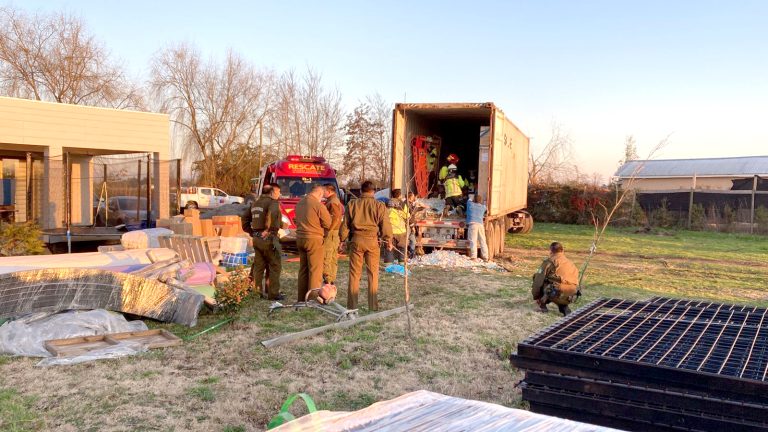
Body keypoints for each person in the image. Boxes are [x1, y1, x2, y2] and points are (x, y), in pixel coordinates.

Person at [341, 180, 393, 311]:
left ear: (360, 191)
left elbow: (345, 225)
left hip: (357, 240)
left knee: (354, 274)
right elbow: (385, 225)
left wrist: (341, 240)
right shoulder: (379, 205)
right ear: (373, 191)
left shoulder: (352, 204)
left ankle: (352, 307)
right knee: (373, 274)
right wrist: (389, 241)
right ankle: (373, 307)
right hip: (372, 241)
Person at [244, 184, 284, 300]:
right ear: (271, 192)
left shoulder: (254, 203)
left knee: (259, 266)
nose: (278, 195)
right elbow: (273, 215)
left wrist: (251, 232)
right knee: (274, 266)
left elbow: (244, 219)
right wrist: (270, 230)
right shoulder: (273, 203)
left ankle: (257, 292)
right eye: (277, 192)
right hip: (269, 238)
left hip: (256, 239)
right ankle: (273, 294)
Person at [294, 184, 332, 303]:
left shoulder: (299, 203)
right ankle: (312, 300)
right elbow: (328, 223)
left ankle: (301, 298)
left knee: (303, 269)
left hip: (300, 238)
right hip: (314, 239)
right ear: (320, 194)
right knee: (315, 270)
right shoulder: (318, 205)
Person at [531, 242, 580, 316]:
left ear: (550, 251)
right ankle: (564, 306)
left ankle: (542, 305)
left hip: (555, 293)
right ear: (563, 250)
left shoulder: (549, 262)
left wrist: (536, 296)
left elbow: (538, 281)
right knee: (561, 284)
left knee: (539, 277)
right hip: (571, 295)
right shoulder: (571, 263)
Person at [322, 184, 343, 286]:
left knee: (327, 256)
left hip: (331, 233)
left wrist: (328, 230)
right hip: (334, 233)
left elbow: (336, 217)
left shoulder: (332, 202)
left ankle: (328, 280)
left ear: (329, 191)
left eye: (324, 191)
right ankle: (331, 279)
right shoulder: (333, 200)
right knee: (333, 256)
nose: (323, 193)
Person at [384, 189, 408, 264]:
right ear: (400, 195)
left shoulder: (386, 203)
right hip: (400, 230)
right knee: (402, 247)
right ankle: (402, 263)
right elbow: (407, 215)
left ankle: (388, 264)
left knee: (389, 247)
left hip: (389, 230)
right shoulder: (402, 204)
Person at [466, 194, 489, 262]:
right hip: (480, 225)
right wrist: (484, 200)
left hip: (473, 225)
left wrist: (471, 196)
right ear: (480, 201)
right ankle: (485, 257)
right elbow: (485, 205)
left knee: (473, 241)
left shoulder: (470, 205)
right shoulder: (483, 207)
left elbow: (469, 199)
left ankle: (473, 257)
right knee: (483, 241)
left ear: (474, 200)